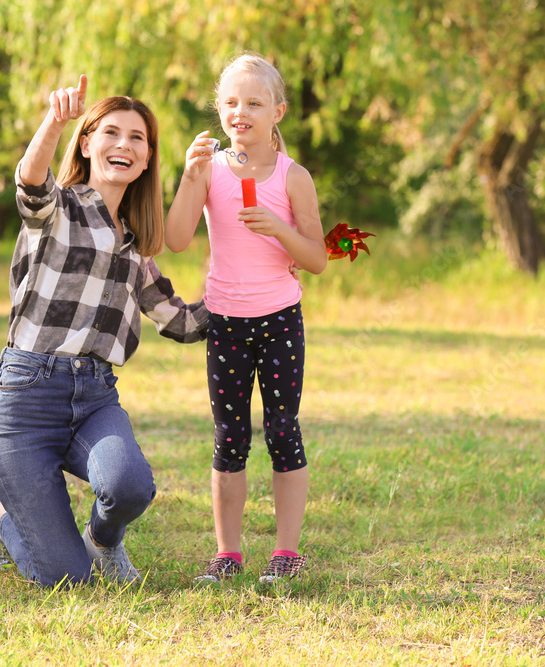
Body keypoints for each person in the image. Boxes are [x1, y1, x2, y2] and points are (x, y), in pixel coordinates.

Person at [0, 75, 208, 588]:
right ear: (87, 143)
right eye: (111, 132)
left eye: (137, 138)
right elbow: (30, 182)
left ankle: (104, 544)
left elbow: (180, 320)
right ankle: (1, 514)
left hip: (94, 399)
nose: (123, 145)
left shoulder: (137, 245)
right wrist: (54, 121)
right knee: (65, 580)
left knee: (129, 486)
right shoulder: (58, 208)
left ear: (148, 158)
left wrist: (253, 290)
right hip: (26, 402)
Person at [165, 53, 327, 583]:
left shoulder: (293, 176)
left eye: (255, 103)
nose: (242, 112)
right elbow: (176, 239)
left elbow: (317, 259)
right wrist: (190, 178)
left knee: (283, 431)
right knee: (229, 435)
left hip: (279, 319)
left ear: (277, 112)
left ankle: (286, 553)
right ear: (218, 109)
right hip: (227, 322)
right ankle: (227, 553)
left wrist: (279, 230)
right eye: (231, 102)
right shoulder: (209, 172)